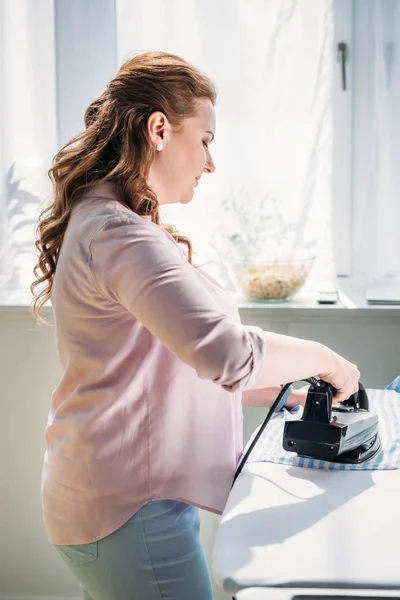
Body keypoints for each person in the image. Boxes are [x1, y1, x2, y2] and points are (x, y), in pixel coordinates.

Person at [30, 51, 360, 600]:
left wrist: (283, 393)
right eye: (205, 140)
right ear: (159, 129)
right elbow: (224, 353)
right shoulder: (119, 234)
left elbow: (177, 363)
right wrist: (327, 359)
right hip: (127, 511)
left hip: (107, 497)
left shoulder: (111, 222)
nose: (210, 164)